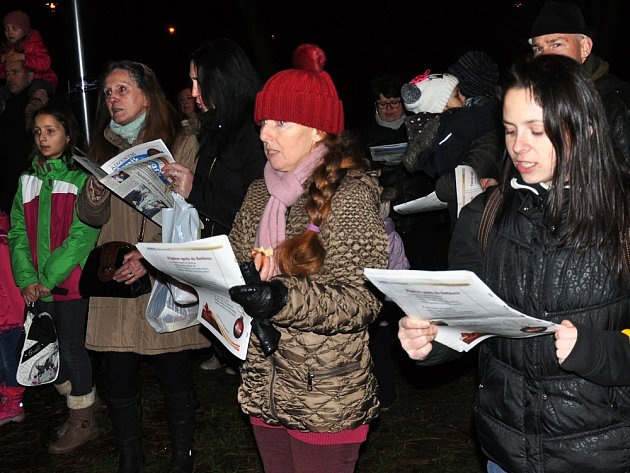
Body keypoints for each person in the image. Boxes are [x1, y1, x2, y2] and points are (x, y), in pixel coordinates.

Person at [398, 54, 630, 473]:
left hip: (599, 452)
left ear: (586, 128)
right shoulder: (485, 215)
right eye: (509, 130)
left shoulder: (622, 220)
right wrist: (431, 341)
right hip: (506, 450)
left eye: (537, 131)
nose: (519, 147)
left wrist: (594, 350)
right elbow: (466, 320)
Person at [226, 42, 389, 473]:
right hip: (266, 382)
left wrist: (281, 297)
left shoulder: (349, 197)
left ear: (318, 129)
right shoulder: (260, 190)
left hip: (326, 394)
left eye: (280, 122)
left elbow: (362, 299)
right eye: (263, 122)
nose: (264, 134)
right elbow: (236, 257)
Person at [75, 60, 209, 473]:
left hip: (162, 275)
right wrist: (95, 193)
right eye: (108, 93)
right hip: (115, 279)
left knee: (174, 376)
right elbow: (90, 216)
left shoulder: (182, 141)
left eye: (122, 90)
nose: (112, 99)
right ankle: (129, 460)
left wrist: (151, 258)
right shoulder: (100, 146)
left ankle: (181, 458)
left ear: (146, 94)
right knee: (117, 378)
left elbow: (191, 210)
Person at [163, 38, 266, 373]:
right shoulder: (214, 130)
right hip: (220, 268)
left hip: (251, 269)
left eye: (198, 81)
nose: (193, 93)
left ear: (222, 80)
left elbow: (255, 214)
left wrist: (195, 189)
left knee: (258, 367)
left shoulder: (254, 134)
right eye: (191, 82)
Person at [7, 102, 101, 453]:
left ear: (68, 134)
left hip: (69, 282)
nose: (43, 138)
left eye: (51, 131)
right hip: (38, 284)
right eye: (38, 132)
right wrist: (27, 277)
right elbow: (17, 230)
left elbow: (83, 234)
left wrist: (48, 276)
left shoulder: (80, 178)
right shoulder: (27, 179)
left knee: (72, 348)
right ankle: (82, 402)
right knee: (48, 349)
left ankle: (84, 420)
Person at [529, 0, 630, 167]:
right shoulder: (538, 100)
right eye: (538, 49)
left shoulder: (615, 107)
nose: (545, 58)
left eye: (556, 44)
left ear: (584, 48)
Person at [433, 50, 505, 226]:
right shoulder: (462, 122)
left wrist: (438, 186)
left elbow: (465, 179)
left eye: (455, 91)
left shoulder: (487, 125)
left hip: (481, 224)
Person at [0, 59, 49, 213]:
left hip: (29, 180)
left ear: (30, 76)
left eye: (15, 72)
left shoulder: (38, 102)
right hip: (8, 181)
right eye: (7, 73)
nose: (9, 77)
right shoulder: (7, 100)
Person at [0, 10, 57, 116]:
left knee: (37, 90)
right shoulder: (7, 49)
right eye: (6, 29)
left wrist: (24, 58)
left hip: (43, 79)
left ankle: (35, 108)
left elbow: (45, 63)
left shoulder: (34, 44)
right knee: (3, 90)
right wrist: (2, 59)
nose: (9, 32)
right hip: (22, 84)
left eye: (14, 28)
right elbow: (3, 73)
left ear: (24, 30)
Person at [0, 210, 25, 427]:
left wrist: (20, 315)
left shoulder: (4, 245)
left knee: (10, 361)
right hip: (4, 318)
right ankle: (6, 399)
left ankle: (15, 405)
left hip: (9, 318)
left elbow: (11, 284)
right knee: (3, 361)